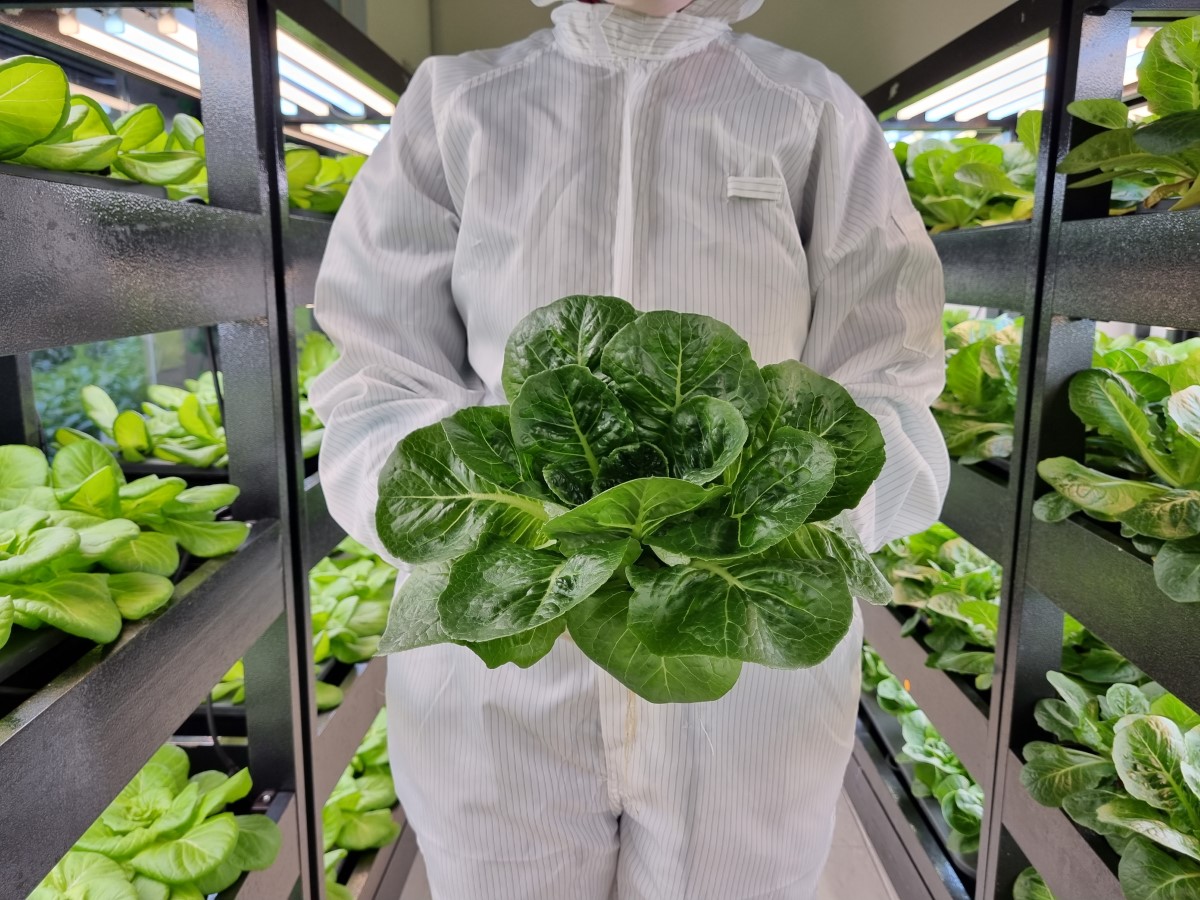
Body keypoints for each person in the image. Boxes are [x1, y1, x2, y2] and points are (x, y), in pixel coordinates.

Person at [309, 0, 949, 897]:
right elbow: (378, 372)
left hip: (741, 662)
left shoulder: (810, 108)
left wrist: (749, 520)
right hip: (505, 653)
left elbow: (887, 375)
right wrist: (520, 521)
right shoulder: (459, 103)